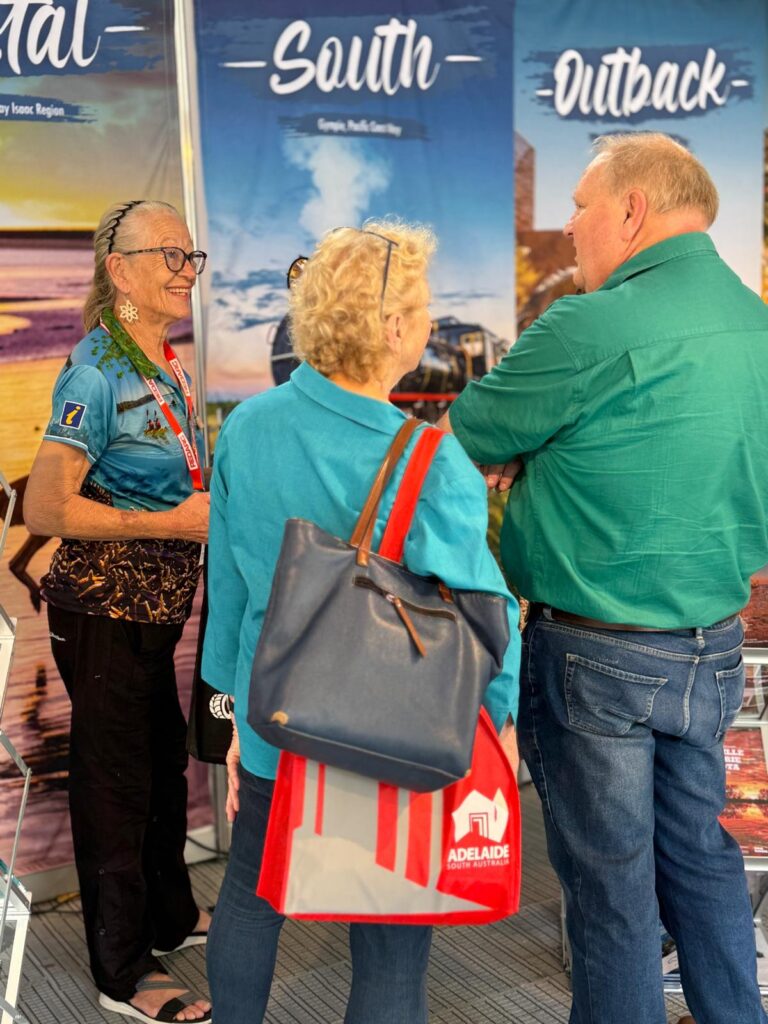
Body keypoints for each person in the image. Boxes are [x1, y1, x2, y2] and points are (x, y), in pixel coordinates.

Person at [441, 132, 768, 1024]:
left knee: (612, 891)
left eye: (580, 207)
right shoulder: (758, 322)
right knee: (700, 857)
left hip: (597, 652)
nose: (569, 228)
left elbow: (467, 436)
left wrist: (527, 455)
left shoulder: (587, 326)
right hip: (711, 648)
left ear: (631, 209)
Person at [202, 221, 521, 1024]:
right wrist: (502, 722)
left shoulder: (246, 426)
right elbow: (481, 616)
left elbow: (232, 591)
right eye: (419, 308)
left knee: (249, 897)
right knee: (389, 934)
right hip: (390, 732)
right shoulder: (426, 455)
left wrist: (236, 711)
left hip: (279, 713)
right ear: (388, 328)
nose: (425, 322)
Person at [25, 200, 212, 1024]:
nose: (183, 269)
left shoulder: (164, 360)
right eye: (165, 254)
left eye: (188, 255)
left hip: (156, 608)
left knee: (164, 762)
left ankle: (166, 916)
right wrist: (171, 522)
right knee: (115, 782)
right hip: (102, 609)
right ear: (119, 269)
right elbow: (43, 507)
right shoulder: (96, 370)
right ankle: (123, 973)